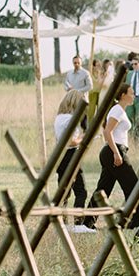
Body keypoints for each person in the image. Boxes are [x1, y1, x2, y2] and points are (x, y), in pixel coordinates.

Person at [93, 82, 139, 230]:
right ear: (122, 95)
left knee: (103, 189)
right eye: (131, 93)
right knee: (133, 186)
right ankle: (133, 222)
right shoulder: (117, 111)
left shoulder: (120, 110)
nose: (134, 96)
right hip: (114, 152)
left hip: (115, 151)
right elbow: (107, 132)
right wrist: (116, 153)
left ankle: (87, 222)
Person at [53, 91, 92, 232]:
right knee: (81, 191)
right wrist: (85, 138)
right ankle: (78, 224)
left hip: (60, 156)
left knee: (64, 192)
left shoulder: (59, 117)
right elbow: (71, 142)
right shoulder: (71, 119)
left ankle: (61, 222)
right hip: (71, 154)